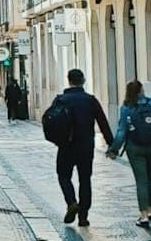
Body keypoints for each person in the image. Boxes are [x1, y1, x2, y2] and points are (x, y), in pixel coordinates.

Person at [44, 68, 115, 226]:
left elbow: (52, 121)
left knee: (63, 176)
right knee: (85, 179)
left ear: (68, 80)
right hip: (85, 146)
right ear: (83, 80)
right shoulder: (90, 100)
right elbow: (103, 123)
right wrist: (112, 145)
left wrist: (56, 140)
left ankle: (71, 202)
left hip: (66, 146)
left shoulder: (61, 100)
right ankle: (83, 217)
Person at [107, 79, 151, 227]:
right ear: (142, 90)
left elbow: (122, 131)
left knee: (141, 180)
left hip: (135, 148)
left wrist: (113, 149)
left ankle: (144, 216)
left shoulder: (126, 108)